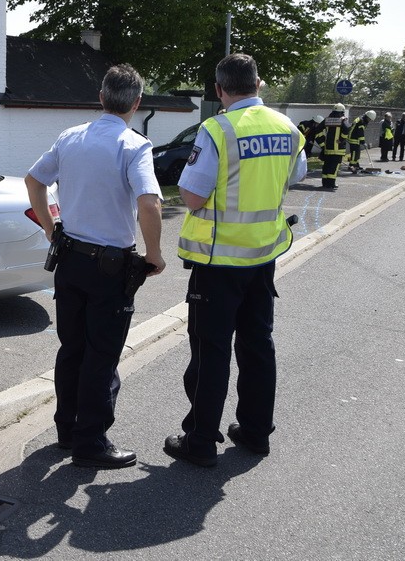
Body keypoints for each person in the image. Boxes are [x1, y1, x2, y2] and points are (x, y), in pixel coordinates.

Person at [164, 53, 307, 467]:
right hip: (263, 256)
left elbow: (191, 197)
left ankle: (201, 441)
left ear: (219, 90)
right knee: (257, 344)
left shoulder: (217, 129)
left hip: (218, 261)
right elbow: (293, 176)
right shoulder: (287, 127)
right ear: (259, 85)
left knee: (211, 352)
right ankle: (256, 432)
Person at [25, 64, 165, 469]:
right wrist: (154, 255)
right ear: (136, 103)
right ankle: (91, 442)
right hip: (109, 267)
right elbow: (149, 203)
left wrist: (51, 230)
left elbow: (34, 182)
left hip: (70, 258)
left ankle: (67, 430)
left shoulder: (71, 137)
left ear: (102, 97)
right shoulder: (134, 145)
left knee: (72, 349)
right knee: (102, 354)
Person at [314, 104, 348, 189]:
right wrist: (341, 139)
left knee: (327, 166)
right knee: (334, 167)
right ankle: (331, 184)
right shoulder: (342, 120)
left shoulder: (327, 120)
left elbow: (318, 131)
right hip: (338, 149)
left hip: (328, 149)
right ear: (342, 111)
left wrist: (323, 144)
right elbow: (347, 129)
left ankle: (325, 183)